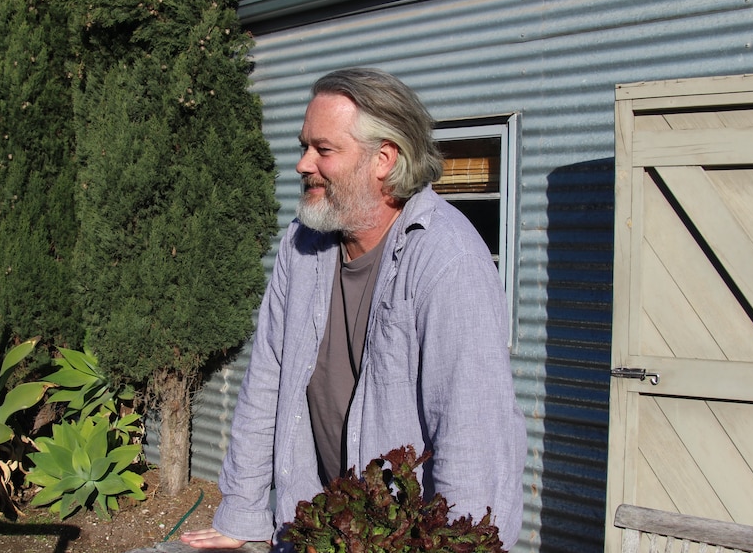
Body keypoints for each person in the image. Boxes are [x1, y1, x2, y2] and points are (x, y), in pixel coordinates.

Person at [181, 68, 527, 549]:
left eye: (323, 150)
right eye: (305, 146)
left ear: (383, 159)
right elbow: (267, 378)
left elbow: (471, 433)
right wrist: (241, 512)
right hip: (320, 525)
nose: (303, 164)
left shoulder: (447, 258)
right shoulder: (303, 244)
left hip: (406, 538)